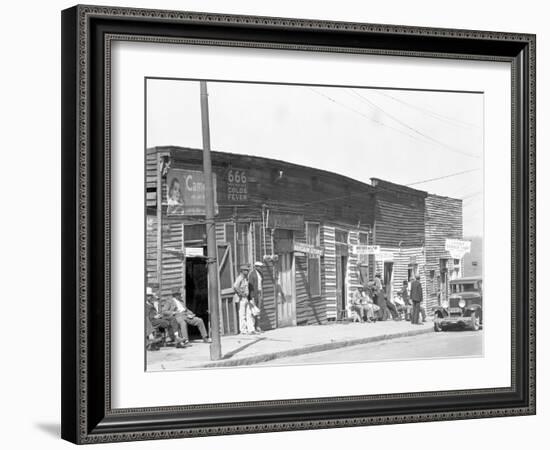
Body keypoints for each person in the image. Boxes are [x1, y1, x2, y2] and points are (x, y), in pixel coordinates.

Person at [234, 264, 255, 334]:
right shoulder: (240, 278)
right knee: (242, 314)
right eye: (246, 270)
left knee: (249, 314)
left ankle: (250, 329)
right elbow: (235, 286)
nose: (247, 271)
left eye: (248, 270)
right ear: (242, 271)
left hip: (246, 298)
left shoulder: (246, 278)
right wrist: (241, 294)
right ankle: (243, 330)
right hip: (241, 298)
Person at [248, 261, 264, 332]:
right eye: (259, 267)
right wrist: (251, 296)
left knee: (258, 310)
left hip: (259, 293)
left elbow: (261, 284)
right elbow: (250, 286)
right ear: (255, 267)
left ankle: (258, 326)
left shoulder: (260, 274)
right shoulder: (252, 274)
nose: (260, 268)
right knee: (254, 310)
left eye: (261, 267)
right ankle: (253, 327)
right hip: (254, 294)